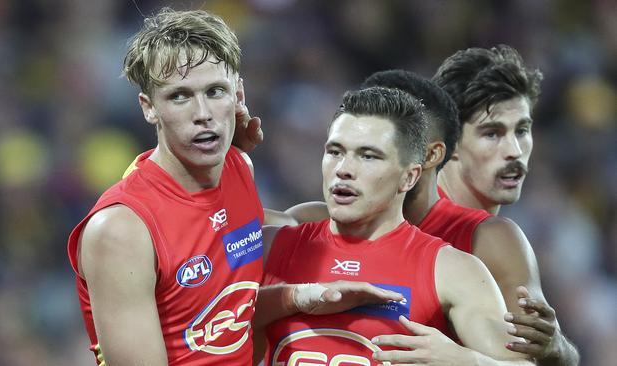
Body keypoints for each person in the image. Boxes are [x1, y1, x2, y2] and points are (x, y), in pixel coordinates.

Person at [66, 8, 400, 366]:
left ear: (238, 94)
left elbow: (230, 293)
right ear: (149, 108)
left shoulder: (239, 168)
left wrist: (300, 297)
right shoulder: (121, 230)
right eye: (180, 96)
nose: (203, 113)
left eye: (215, 91)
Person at [261, 87, 534, 365]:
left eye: (368, 156)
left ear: (409, 177)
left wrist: (467, 362)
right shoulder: (271, 247)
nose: (343, 168)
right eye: (335, 151)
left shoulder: (451, 271)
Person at [433, 45, 580, 365]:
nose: (514, 150)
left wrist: (559, 349)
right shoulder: (497, 238)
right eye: (493, 133)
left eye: (522, 130)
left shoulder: (392, 214)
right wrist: (563, 354)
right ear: (449, 142)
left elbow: (541, 348)